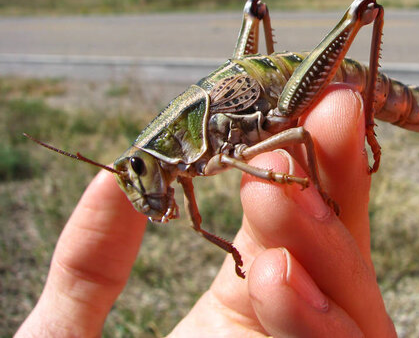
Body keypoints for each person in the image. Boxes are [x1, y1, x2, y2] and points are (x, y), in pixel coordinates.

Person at [16, 85, 396, 337]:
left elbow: (297, 135)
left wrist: (266, 173)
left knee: (360, 13)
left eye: (136, 171)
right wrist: (233, 251)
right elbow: (197, 225)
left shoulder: (191, 137)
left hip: (290, 90)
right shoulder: (180, 169)